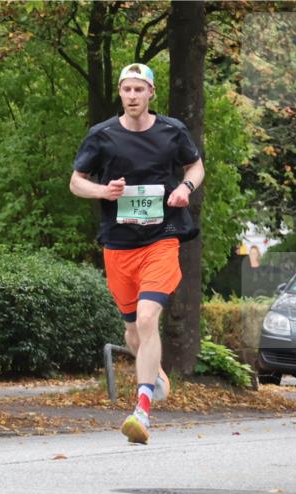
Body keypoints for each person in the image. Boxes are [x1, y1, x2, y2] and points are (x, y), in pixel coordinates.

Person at [69, 63, 205, 444]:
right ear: (120, 93)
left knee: (148, 318)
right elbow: (76, 182)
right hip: (119, 244)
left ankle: (141, 409)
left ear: (151, 93)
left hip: (162, 238)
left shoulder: (171, 131)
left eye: (138, 90)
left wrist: (185, 189)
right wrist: (103, 191)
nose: (131, 96)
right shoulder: (103, 136)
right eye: (126, 90)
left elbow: (195, 165)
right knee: (132, 330)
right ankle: (155, 373)